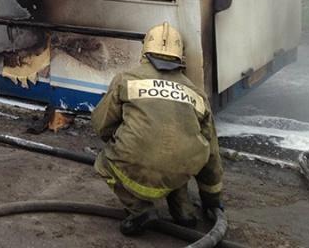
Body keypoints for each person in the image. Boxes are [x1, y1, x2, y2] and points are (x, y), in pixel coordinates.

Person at [91, 22, 224, 237]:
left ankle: (141, 210)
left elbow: (101, 123)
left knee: (104, 163)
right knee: (178, 155)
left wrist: (120, 139)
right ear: (180, 56)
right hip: (183, 167)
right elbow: (212, 152)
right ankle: (184, 212)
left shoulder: (126, 80)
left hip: (134, 158)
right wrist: (212, 199)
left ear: (145, 50)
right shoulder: (196, 93)